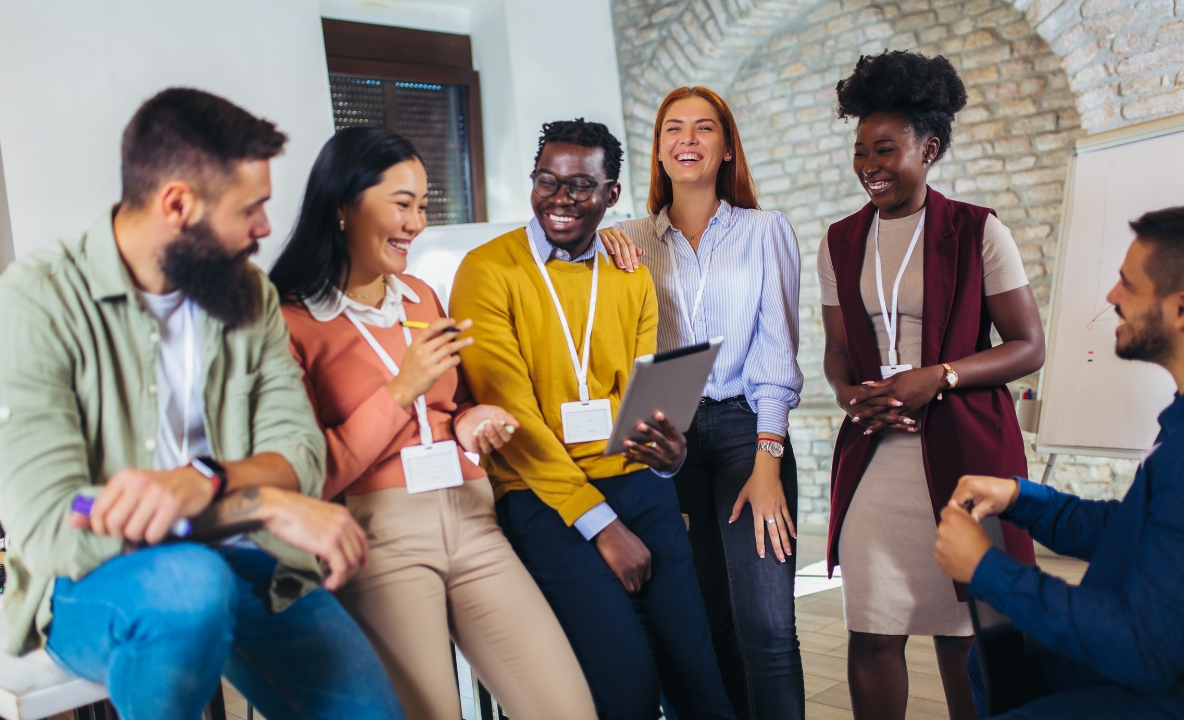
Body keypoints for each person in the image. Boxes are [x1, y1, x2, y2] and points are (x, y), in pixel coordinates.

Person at [0, 89, 405, 720]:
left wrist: (203, 484)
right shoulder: (35, 301)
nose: (266, 229)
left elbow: (298, 454)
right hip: (96, 580)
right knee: (190, 583)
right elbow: (54, 519)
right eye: (251, 209)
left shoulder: (248, 294)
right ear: (178, 204)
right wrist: (259, 500)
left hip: (248, 563)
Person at [270, 126, 597, 720]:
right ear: (342, 206)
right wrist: (400, 390)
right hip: (380, 538)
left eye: (422, 206)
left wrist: (474, 421)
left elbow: (453, 404)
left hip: (474, 519)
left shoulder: (421, 296)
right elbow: (306, 477)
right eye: (402, 204)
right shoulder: (289, 320)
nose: (416, 224)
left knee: (567, 708)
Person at [449, 119, 736, 720]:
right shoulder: (486, 271)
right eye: (547, 181)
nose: (560, 197)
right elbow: (514, 419)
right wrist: (602, 526)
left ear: (611, 195)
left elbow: (638, 401)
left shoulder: (631, 274)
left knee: (699, 676)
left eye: (581, 186)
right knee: (624, 686)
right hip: (542, 496)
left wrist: (671, 455)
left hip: (635, 482)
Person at [818, 52, 1045, 720]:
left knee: (964, 633)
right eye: (860, 152)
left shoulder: (977, 230)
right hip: (875, 455)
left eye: (885, 150)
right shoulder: (839, 242)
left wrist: (938, 377)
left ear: (931, 147)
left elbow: (1029, 346)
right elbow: (836, 349)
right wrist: (846, 391)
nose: (869, 166)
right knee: (870, 631)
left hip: (966, 453)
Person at [936, 205, 1184, 719]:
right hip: (1161, 652)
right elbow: (1127, 528)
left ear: (1182, 310)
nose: (1111, 298)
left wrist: (988, 570)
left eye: (1128, 285)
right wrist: (1020, 496)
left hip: (1171, 681)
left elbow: (1144, 647)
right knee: (993, 661)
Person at [597, 86, 805, 719]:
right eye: (674, 129)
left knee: (767, 623)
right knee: (703, 619)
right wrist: (597, 247)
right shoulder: (625, 239)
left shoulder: (765, 231)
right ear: (658, 151)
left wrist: (768, 463)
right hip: (665, 434)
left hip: (747, 430)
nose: (688, 139)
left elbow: (777, 347)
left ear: (725, 147)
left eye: (704, 128)